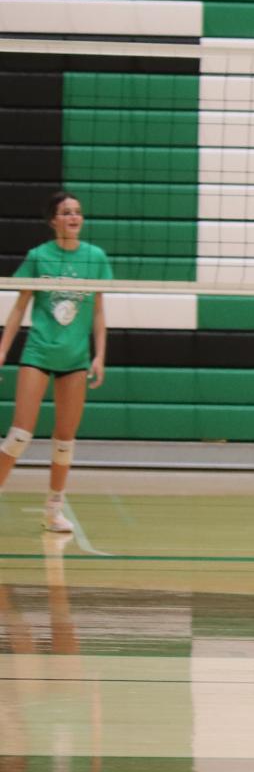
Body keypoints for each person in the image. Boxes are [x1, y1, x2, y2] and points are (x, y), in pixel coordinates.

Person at [0, 191, 111, 534]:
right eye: (66, 213)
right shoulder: (38, 256)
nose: (74, 218)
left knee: (65, 439)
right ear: (53, 221)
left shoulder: (95, 257)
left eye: (78, 212)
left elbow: (98, 309)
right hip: (38, 353)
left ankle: (53, 509)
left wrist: (100, 355)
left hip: (75, 359)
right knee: (19, 434)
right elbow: (20, 306)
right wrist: (2, 348)